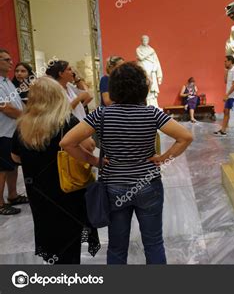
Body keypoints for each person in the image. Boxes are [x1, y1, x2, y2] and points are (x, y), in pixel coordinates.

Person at [60, 62, 193, 264]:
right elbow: (185, 137)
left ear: (114, 88)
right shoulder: (152, 114)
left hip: (114, 187)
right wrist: (163, 158)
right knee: (154, 243)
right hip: (149, 184)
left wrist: (96, 162)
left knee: (116, 246)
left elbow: (67, 142)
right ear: (143, 87)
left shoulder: (102, 114)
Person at [11, 77, 100, 263]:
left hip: (38, 191)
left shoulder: (22, 125)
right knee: (69, 240)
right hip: (67, 189)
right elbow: (90, 145)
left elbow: (15, 157)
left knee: (49, 235)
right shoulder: (66, 121)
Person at [0, 49, 27, 215]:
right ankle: (0, 203)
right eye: (7, 60)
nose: (11, 62)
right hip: (2, 131)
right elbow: (5, 108)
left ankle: (13, 195)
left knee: (12, 165)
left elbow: (16, 104)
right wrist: (26, 118)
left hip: (13, 131)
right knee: (2, 168)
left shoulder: (7, 82)